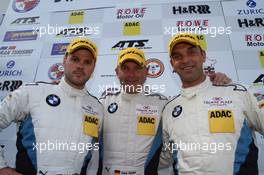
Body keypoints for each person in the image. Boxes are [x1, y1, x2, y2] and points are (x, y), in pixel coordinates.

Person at [99, 47, 231, 175]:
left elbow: (193, 107)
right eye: (125, 68)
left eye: (137, 68)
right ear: (117, 71)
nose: (131, 74)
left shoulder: (163, 103)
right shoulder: (103, 103)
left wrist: (213, 85)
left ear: (146, 71)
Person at [162, 33, 264, 175]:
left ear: (203, 55)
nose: (185, 60)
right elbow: (165, 157)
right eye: (177, 56)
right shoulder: (169, 108)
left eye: (191, 52)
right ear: (172, 64)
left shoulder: (239, 92)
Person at [0, 38, 103, 175]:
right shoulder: (31, 92)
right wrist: (1, 167)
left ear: (93, 67)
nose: (80, 66)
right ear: (64, 60)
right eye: (75, 59)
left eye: (87, 62)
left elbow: (93, 157)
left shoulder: (97, 107)